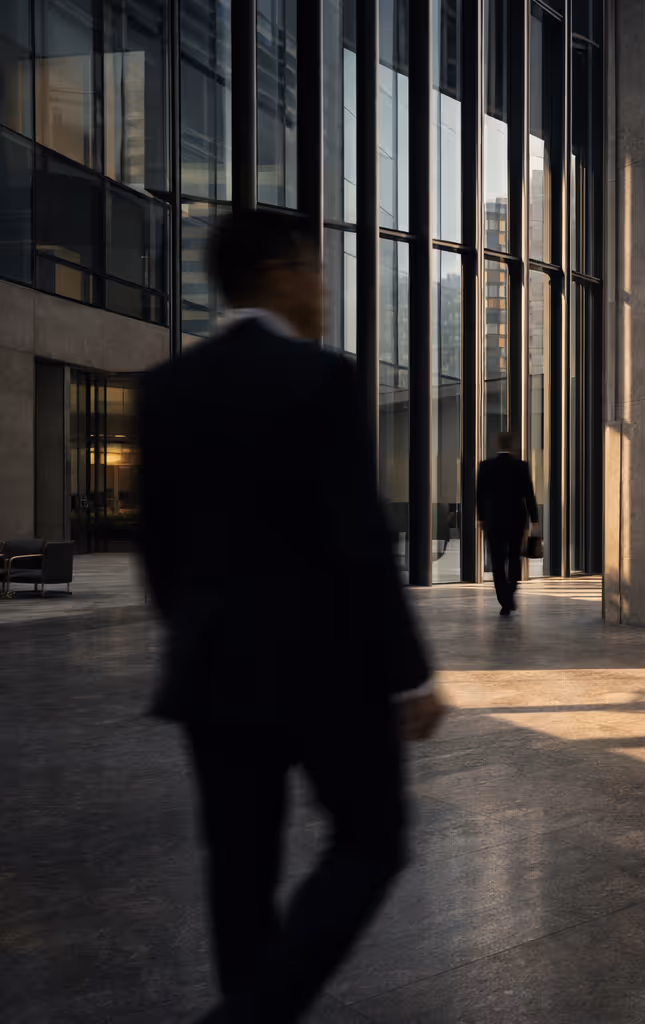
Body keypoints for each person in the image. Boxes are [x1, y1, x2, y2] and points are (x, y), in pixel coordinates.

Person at [137, 210, 446, 1023]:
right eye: (316, 269)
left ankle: (250, 1006)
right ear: (278, 273)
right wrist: (409, 675)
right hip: (324, 671)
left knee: (239, 870)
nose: (324, 288)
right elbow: (359, 541)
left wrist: (202, 632)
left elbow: (159, 556)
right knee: (372, 841)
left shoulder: (166, 390)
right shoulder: (320, 380)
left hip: (212, 673)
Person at [476, 431, 541, 615]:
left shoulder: (486, 466)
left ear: (497, 445)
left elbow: (480, 495)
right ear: (511, 445)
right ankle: (510, 591)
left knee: (497, 560)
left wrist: (482, 518)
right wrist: (534, 519)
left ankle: (504, 599)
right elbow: (529, 494)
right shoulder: (521, 466)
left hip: (494, 521)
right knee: (514, 558)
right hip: (516, 520)